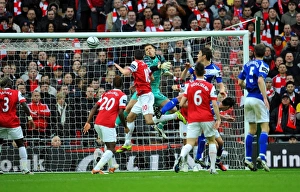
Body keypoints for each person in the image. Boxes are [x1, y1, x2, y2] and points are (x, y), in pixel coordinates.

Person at [114, 49, 186, 152]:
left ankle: (175, 116)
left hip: (146, 96)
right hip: (142, 95)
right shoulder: (144, 65)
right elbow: (151, 78)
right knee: (130, 117)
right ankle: (127, 144)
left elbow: (125, 72)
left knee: (149, 121)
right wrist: (138, 84)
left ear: (134, 57)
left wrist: (118, 67)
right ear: (143, 57)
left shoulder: (135, 63)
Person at [175, 62, 221, 174]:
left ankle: (181, 157)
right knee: (211, 141)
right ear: (204, 72)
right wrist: (218, 118)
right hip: (207, 118)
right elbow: (215, 104)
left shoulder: (189, 86)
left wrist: (192, 105)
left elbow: (181, 104)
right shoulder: (210, 86)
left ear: (194, 72)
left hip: (193, 118)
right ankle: (213, 168)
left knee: (189, 143)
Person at [83, 75, 128, 174]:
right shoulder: (122, 95)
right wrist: (125, 126)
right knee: (112, 148)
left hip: (97, 123)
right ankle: (97, 168)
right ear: (122, 85)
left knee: (108, 144)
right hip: (108, 124)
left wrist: (88, 122)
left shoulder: (106, 94)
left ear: (112, 84)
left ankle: (111, 167)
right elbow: (121, 113)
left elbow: (95, 107)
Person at [238, 43, 270, 172]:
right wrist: (265, 97)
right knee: (264, 127)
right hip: (258, 98)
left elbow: (240, 82)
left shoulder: (247, 64)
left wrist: (248, 88)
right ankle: (262, 156)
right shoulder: (264, 65)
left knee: (251, 129)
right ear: (265, 53)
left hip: (248, 98)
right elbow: (261, 80)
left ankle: (248, 158)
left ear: (254, 52)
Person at [0, 76, 35, 174]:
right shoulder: (16, 92)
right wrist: (30, 118)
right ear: (8, 84)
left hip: (0, 122)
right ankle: (24, 169)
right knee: (20, 144)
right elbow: (24, 105)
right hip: (12, 122)